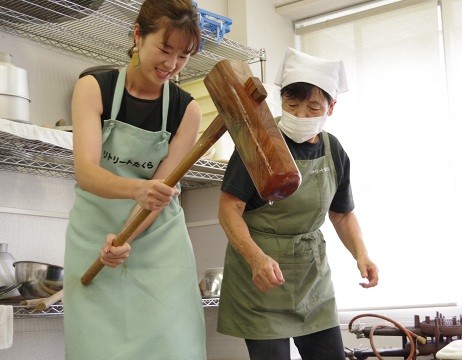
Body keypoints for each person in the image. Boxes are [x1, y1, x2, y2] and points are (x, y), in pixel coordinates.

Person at [63, 1, 206, 358]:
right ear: (138, 35)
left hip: (157, 241)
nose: (172, 65)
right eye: (165, 49)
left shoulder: (187, 110)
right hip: (94, 234)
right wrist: (138, 190)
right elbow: (87, 171)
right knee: (96, 347)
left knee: (171, 344)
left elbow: (161, 194)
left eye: (184, 56)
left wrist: (129, 233)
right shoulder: (93, 87)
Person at [216, 47, 379, 360]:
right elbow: (228, 209)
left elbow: (342, 215)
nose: (301, 115)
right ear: (281, 101)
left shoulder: (334, 150)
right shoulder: (258, 142)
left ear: (331, 107)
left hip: (311, 279)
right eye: (292, 105)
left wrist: (362, 254)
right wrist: (255, 258)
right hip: (261, 277)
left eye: (314, 107)